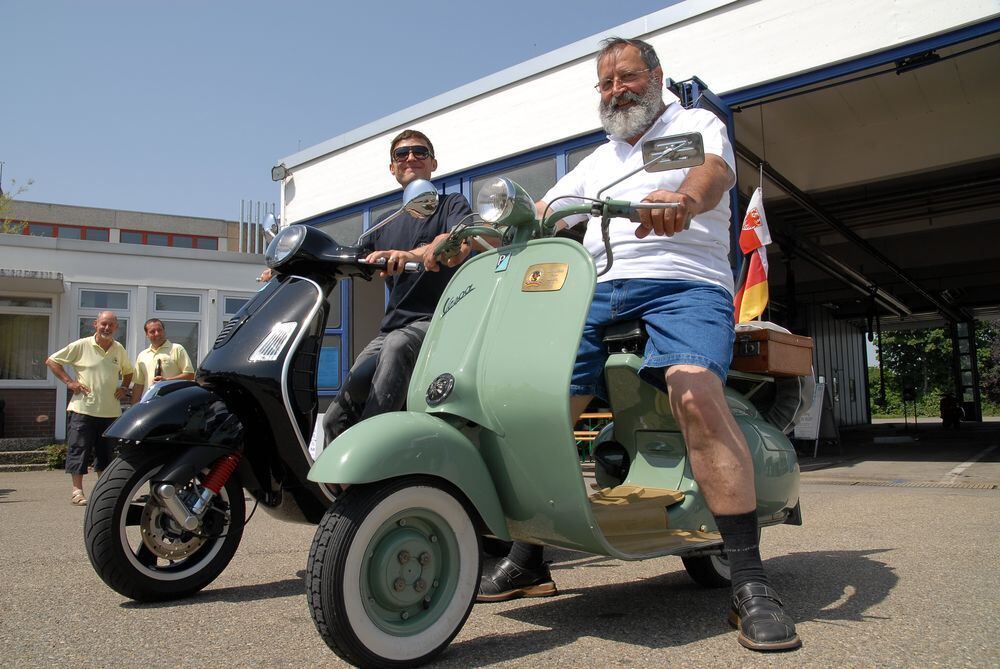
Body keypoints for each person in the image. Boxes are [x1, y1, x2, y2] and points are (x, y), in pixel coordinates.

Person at [473, 37, 801, 652]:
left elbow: (712, 173)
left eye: (625, 77)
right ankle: (529, 555)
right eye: (605, 84)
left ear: (656, 75)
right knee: (537, 407)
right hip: (595, 289)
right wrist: (475, 237)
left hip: (684, 283)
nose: (615, 91)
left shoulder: (692, 125)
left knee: (695, 396)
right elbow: (544, 210)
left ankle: (751, 584)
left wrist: (683, 198)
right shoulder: (598, 161)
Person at [321, 129, 474, 450]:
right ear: (392, 168)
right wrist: (289, 267)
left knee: (396, 345)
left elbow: (457, 240)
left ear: (433, 163)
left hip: (439, 321)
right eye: (401, 154)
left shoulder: (451, 204)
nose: (411, 158)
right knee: (334, 417)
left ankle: (374, 450)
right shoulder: (386, 222)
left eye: (420, 152)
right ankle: (338, 477)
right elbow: (348, 259)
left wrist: (412, 255)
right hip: (391, 329)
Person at [45, 311, 133, 506]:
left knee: (106, 454)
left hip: (110, 412)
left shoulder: (118, 348)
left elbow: (129, 371)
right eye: (103, 324)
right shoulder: (82, 345)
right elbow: (52, 361)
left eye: (111, 325)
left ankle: (104, 493)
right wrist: (70, 382)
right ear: (96, 324)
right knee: (79, 450)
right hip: (83, 410)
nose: (107, 328)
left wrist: (124, 387)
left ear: (116, 327)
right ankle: (77, 491)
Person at [130, 318, 195, 403]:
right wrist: (134, 407)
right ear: (147, 334)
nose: (157, 334)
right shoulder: (142, 355)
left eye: (159, 330)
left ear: (164, 331)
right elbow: (139, 385)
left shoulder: (177, 349)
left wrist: (167, 381)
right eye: (152, 331)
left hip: (172, 402)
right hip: (149, 403)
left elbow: (190, 375)